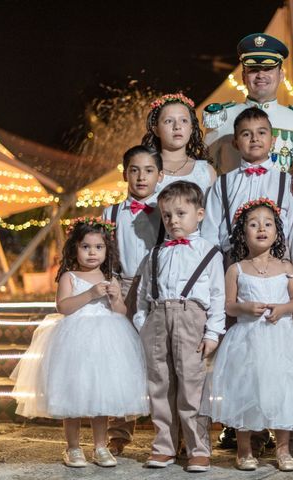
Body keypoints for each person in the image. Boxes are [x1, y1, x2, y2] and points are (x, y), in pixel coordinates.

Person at [11, 218, 149, 468]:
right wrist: (89, 294)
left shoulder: (111, 277)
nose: (92, 252)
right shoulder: (69, 276)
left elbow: (119, 311)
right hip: (75, 340)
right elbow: (63, 307)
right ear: (75, 248)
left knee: (101, 395)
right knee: (71, 395)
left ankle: (100, 446)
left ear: (107, 250)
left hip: (107, 341)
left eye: (98, 247)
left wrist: (116, 298)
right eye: (86, 247)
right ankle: (73, 448)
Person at [202, 198, 293, 472]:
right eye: (253, 224)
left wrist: (284, 308)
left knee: (283, 391)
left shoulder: (285, 267)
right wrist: (245, 307)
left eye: (267, 223)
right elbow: (228, 305)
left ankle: (283, 449)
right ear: (243, 233)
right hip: (247, 339)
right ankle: (244, 449)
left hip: (280, 339)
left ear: (276, 232)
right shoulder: (235, 269)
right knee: (245, 391)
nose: (261, 228)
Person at [133, 181, 225, 473]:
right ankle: (164, 446)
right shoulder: (155, 254)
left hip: (191, 319)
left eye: (181, 214)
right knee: (159, 385)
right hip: (158, 318)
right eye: (167, 215)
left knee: (191, 386)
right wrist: (142, 324)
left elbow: (218, 297)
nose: (173, 221)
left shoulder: (210, 253)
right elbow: (143, 294)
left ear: (199, 214)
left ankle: (198, 448)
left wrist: (213, 333)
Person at [203, 107, 293, 297]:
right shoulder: (223, 183)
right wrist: (211, 283)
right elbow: (209, 236)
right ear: (236, 143)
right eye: (246, 134)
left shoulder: (287, 182)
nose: (254, 138)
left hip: (276, 273)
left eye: (262, 132)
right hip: (231, 269)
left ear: (273, 140)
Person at [101, 144, 163, 454]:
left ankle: (169, 435)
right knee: (121, 361)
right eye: (135, 170)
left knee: (163, 361)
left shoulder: (168, 211)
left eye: (149, 170)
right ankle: (118, 433)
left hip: (158, 289)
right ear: (125, 173)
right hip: (122, 286)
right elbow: (106, 255)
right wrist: (112, 286)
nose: (141, 177)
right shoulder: (110, 212)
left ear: (160, 175)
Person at [203, 33, 293, 174]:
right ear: (243, 76)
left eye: (268, 69)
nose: (261, 75)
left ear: (281, 76)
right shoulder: (222, 117)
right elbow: (207, 169)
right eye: (253, 70)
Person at [142, 92, 216, 197]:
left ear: (191, 128)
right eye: (168, 121)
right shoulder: (144, 169)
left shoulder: (206, 171)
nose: (177, 126)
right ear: (156, 130)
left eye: (184, 120)